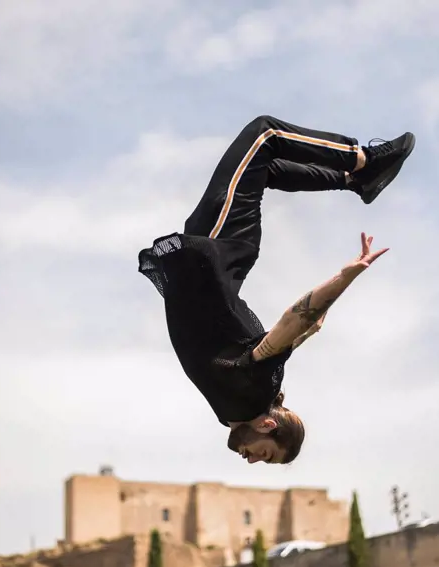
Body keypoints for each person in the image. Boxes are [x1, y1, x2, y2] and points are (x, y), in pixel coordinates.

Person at [138, 115, 415, 466]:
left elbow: (302, 331)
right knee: (266, 134)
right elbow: (295, 323)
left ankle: (352, 181)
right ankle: (364, 160)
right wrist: (346, 277)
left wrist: (315, 320)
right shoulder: (253, 393)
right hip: (219, 244)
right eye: (265, 454)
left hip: (213, 254)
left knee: (263, 167)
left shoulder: (232, 410)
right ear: (268, 425)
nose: (251, 460)